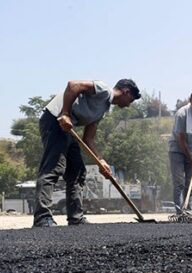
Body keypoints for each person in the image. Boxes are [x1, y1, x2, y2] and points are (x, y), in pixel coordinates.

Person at [32, 79, 141, 227]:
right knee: (53, 167)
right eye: (130, 100)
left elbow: (88, 139)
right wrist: (65, 113)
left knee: (77, 171)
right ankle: (42, 217)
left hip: (68, 129)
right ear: (126, 91)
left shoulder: (103, 109)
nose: (128, 104)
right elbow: (73, 85)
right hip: (55, 120)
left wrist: (101, 161)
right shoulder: (104, 90)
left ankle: (76, 218)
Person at [168, 91, 192, 215]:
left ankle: (188, 209)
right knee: (179, 182)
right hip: (177, 150)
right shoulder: (181, 114)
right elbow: (181, 140)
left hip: (191, 149)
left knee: (189, 182)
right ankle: (180, 212)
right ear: (190, 101)